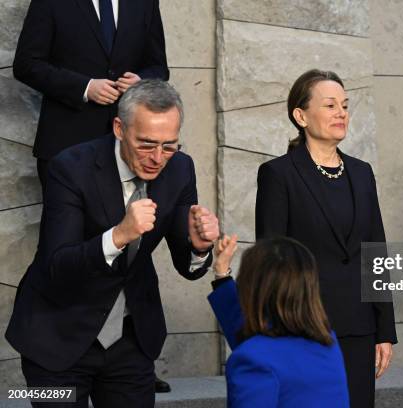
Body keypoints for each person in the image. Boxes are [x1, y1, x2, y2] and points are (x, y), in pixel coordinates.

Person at [5, 80, 219, 407]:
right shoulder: (69, 167)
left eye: (169, 145)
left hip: (130, 341)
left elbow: (186, 263)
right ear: (120, 128)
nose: (157, 158)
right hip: (54, 338)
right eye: (146, 144)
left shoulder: (180, 168)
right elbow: (57, 265)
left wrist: (200, 246)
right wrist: (119, 235)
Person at [255, 69, 397, 408]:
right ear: (300, 116)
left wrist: (384, 330)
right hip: (303, 328)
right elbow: (272, 261)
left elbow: (375, 252)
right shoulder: (279, 174)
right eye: (330, 105)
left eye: (345, 106)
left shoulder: (362, 173)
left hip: (359, 328)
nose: (341, 113)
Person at [13, 0, 169, 191]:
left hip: (128, 146)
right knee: (64, 221)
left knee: (131, 221)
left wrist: (140, 81)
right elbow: (26, 64)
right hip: (67, 145)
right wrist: (85, 88)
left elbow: (159, 67)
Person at [207, 235, 350, 408]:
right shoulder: (327, 342)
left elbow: (258, 349)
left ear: (252, 289)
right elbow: (259, 340)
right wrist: (222, 273)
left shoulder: (253, 359)